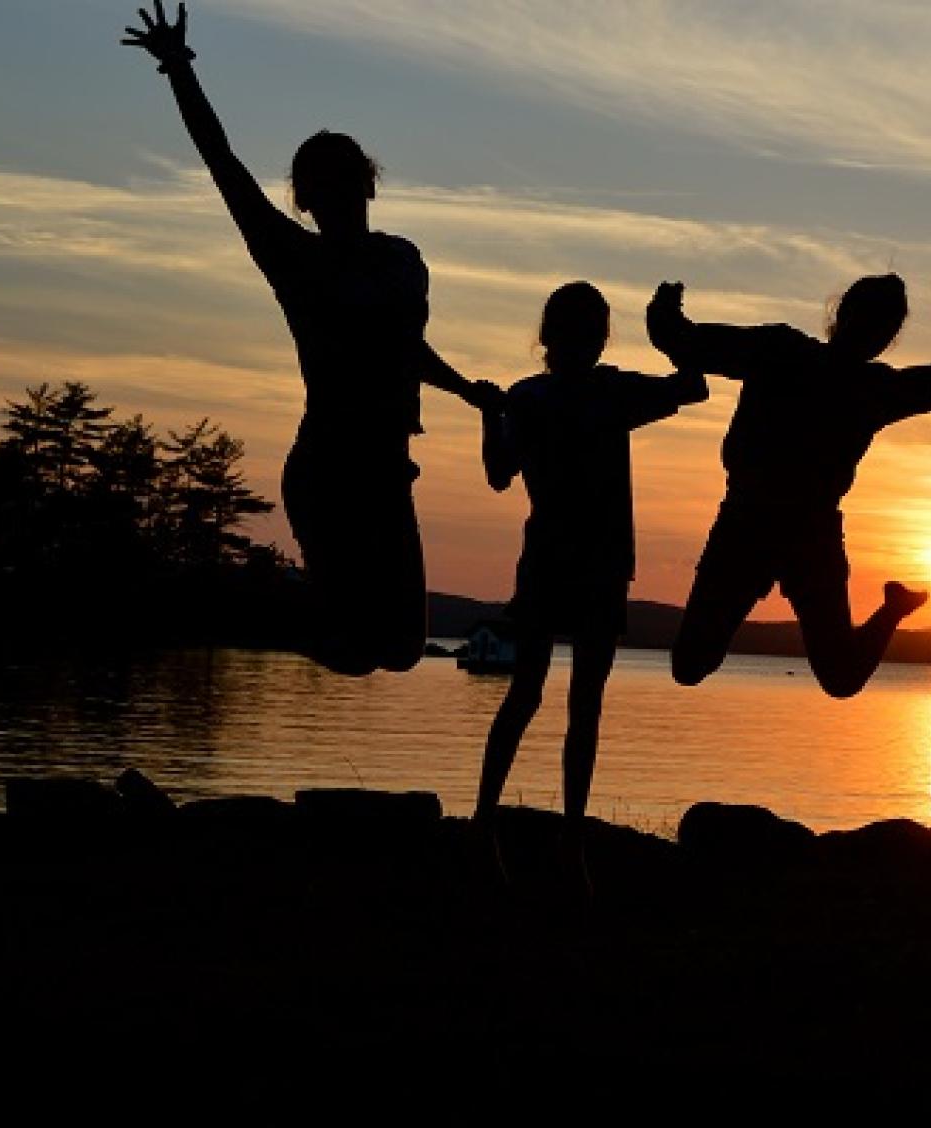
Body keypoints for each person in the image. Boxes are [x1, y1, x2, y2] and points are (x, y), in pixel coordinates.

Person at [124, 2, 499, 676]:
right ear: (303, 197)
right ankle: (234, 612)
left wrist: (468, 392)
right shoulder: (289, 254)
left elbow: (405, 350)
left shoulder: (401, 259)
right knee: (356, 652)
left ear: (367, 182)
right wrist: (178, 69)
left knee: (403, 651)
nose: (334, 190)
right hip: (328, 466)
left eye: (345, 176)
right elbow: (222, 163)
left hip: (387, 467)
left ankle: (250, 610)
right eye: (317, 182)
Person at [646, 275, 931, 699]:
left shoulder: (875, 388)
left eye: (886, 329)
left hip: (810, 532)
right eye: (872, 321)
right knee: (689, 665)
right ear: (843, 313)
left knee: (842, 678)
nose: (876, 335)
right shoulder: (779, 350)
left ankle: (894, 608)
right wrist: (666, 306)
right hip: (747, 520)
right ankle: (892, 607)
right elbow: (682, 341)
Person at [475, 282, 708, 889]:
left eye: (591, 331)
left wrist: (488, 415)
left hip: (575, 567)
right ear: (560, 336)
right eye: (586, 331)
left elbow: (498, 474)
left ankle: (513, 832)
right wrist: (671, 329)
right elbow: (694, 383)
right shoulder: (607, 392)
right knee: (568, 703)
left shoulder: (537, 397)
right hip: (587, 567)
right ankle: (554, 839)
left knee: (539, 698)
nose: (587, 342)